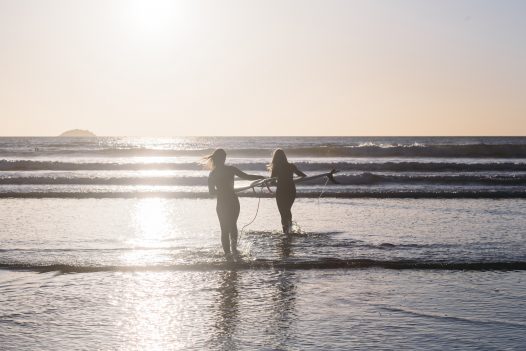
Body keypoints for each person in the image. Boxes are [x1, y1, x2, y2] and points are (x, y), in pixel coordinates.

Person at [206, 149, 265, 260]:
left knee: (226, 228)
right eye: (223, 157)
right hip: (231, 200)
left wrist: (260, 178)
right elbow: (246, 176)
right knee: (231, 226)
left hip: (223, 202)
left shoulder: (213, 174)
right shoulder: (229, 170)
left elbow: (211, 192)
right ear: (220, 158)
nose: (224, 159)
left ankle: (229, 253)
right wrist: (260, 177)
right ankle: (232, 251)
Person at [268, 149, 306, 234]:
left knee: (283, 212)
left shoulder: (276, 167)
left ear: (275, 158)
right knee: (287, 210)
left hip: (281, 191)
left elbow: (272, 182)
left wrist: (279, 183)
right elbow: (303, 175)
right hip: (291, 190)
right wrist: (291, 180)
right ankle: (290, 230)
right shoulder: (291, 166)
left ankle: (286, 231)